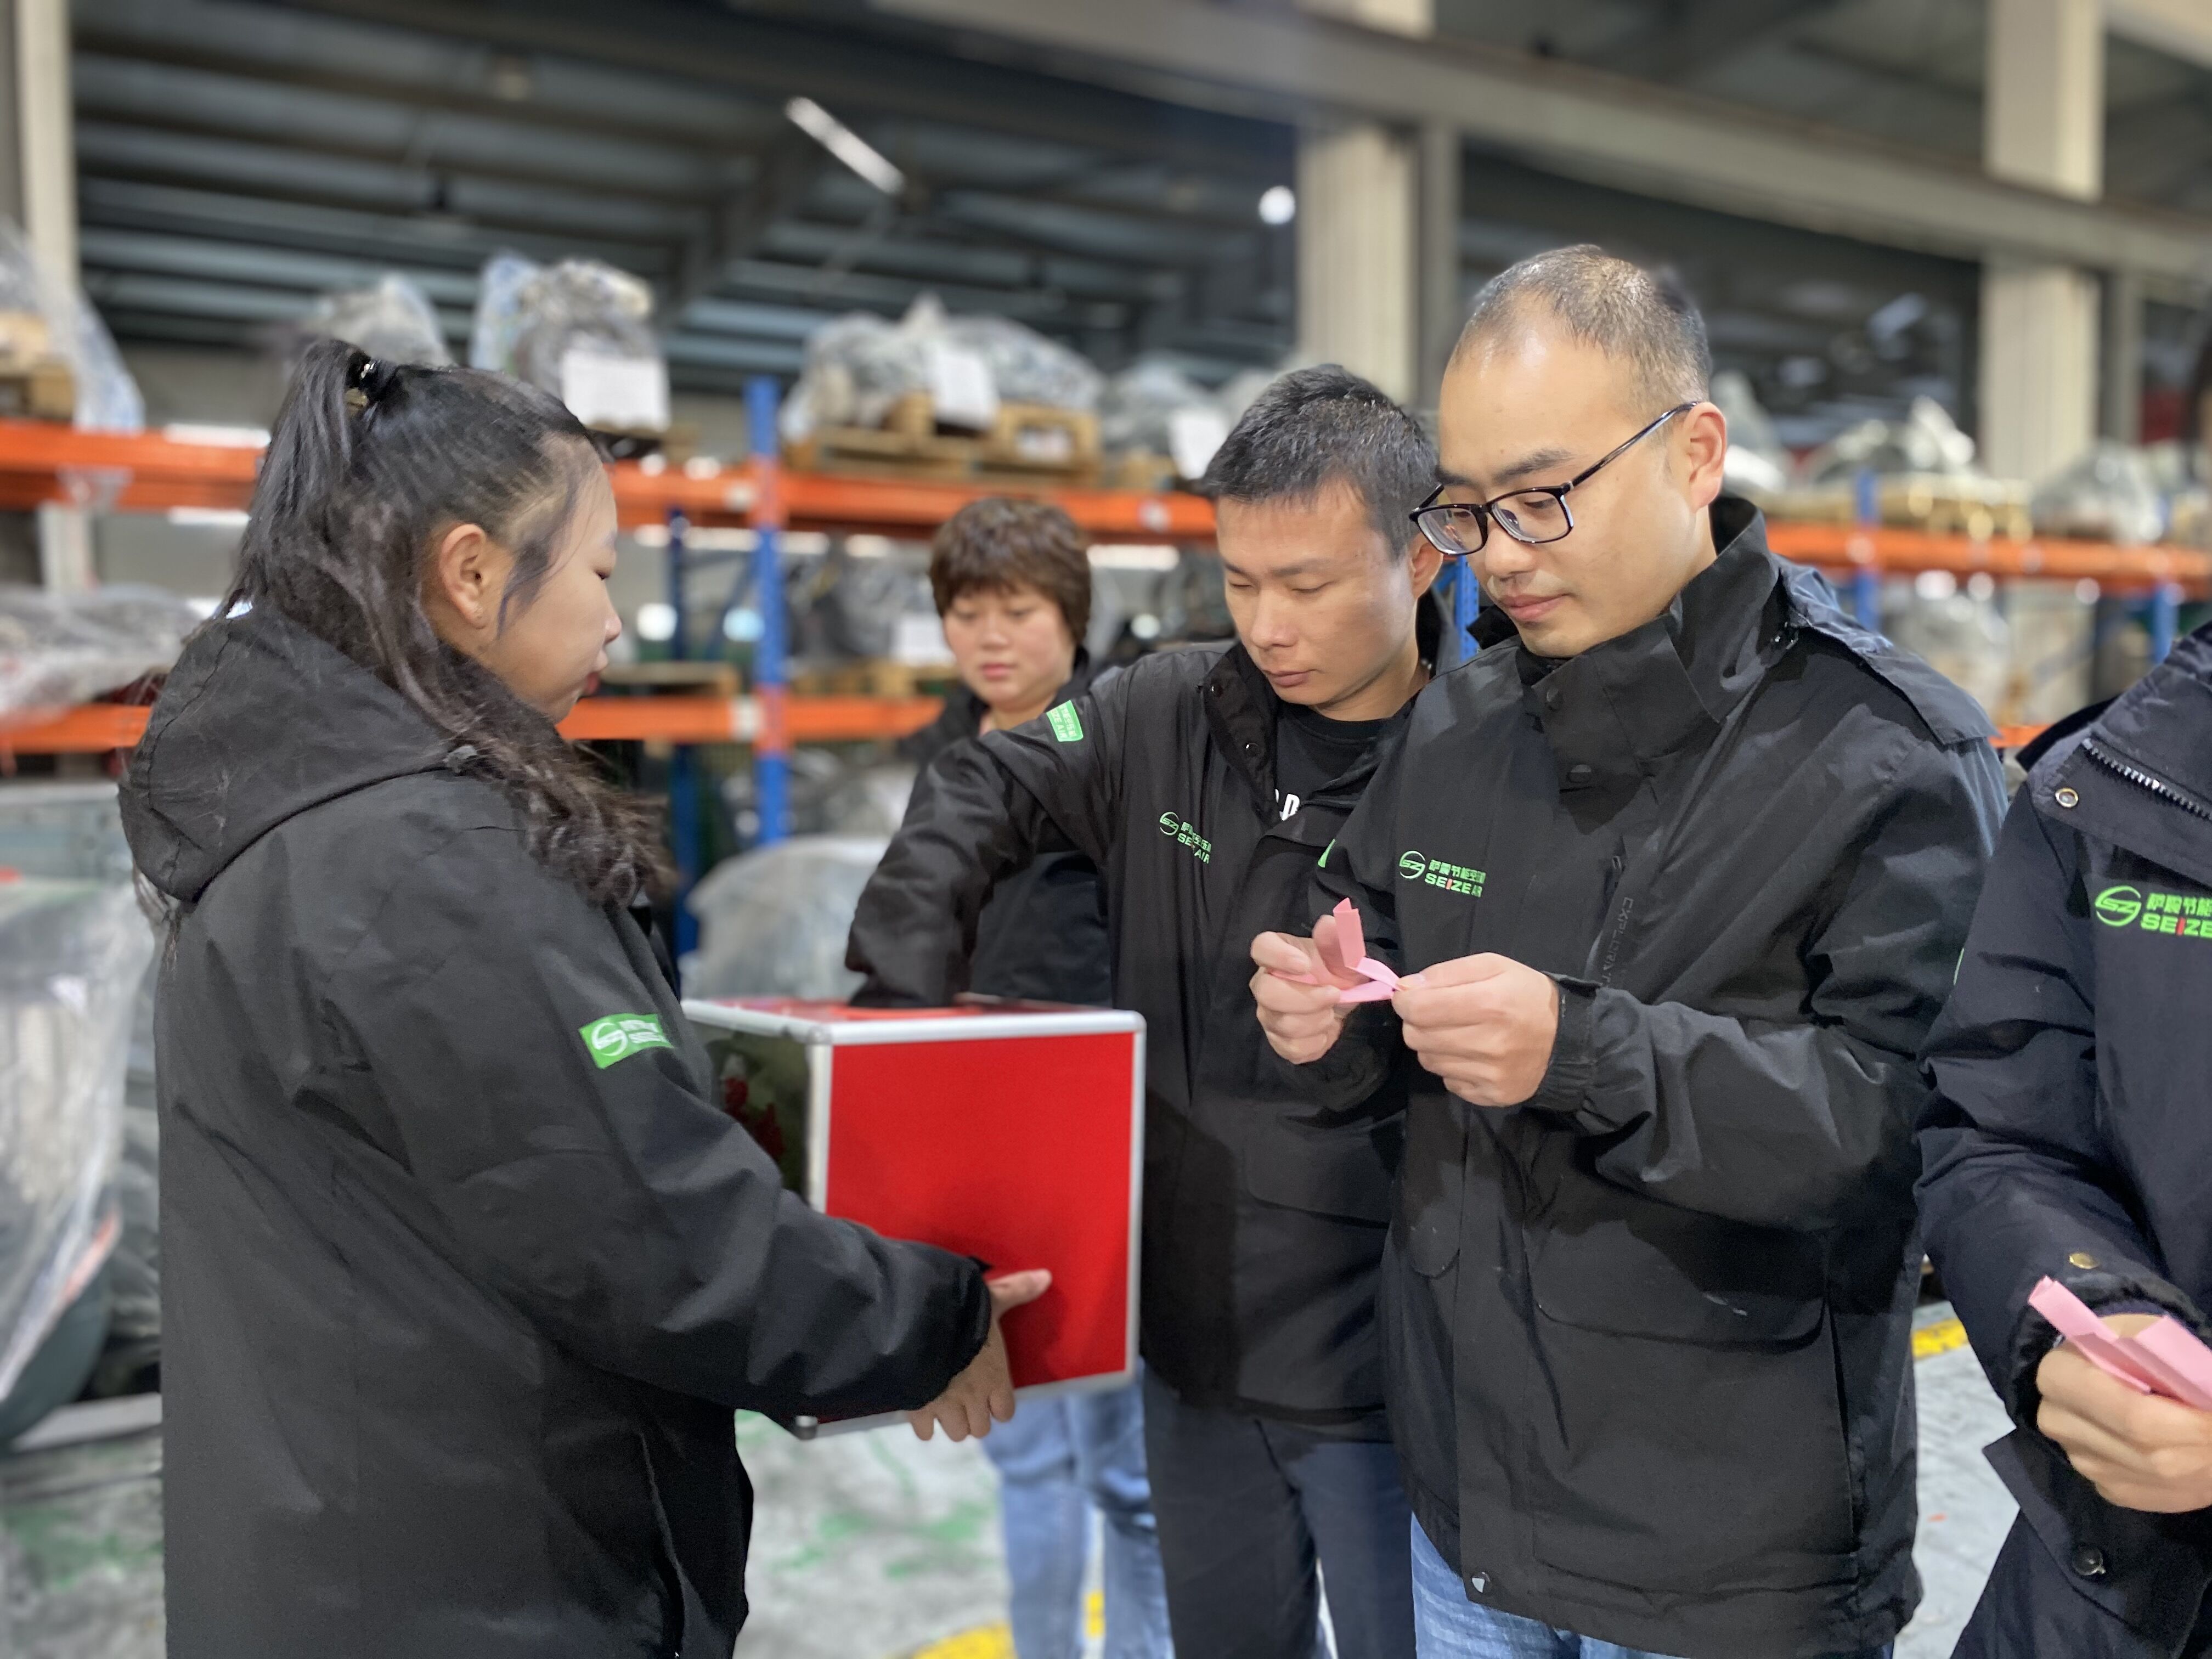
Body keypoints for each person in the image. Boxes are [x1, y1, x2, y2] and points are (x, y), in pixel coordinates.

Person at [119, 339, 1044, 1659]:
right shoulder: (432, 864)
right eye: (601, 573)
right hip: (481, 1582)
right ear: (471, 572)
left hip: (343, 1543)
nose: (616, 623)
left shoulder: (304, 823)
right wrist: (929, 1315)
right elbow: (647, 1234)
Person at [1250, 246, 2005, 1659]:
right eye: (1468, 510)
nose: (1502, 553)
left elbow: (1919, 1135)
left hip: (1720, 1560)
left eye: (1543, 497)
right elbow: (1372, 949)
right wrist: (1329, 1011)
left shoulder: (1887, 755)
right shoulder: (1458, 730)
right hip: (1468, 1523)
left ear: (1694, 452)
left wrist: (1584, 1051)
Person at [848, 365, 1442, 1659]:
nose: (1268, 625)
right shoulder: (1167, 711)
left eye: (1308, 585)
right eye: (1241, 582)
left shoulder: (1486, 754)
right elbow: (980, 791)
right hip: (1194, 1344)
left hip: (1397, 1369)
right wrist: (897, 1028)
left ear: (1421, 559)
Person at [899, 496, 1173, 1659]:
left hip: (1108, 1140)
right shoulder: (944, 751)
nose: (991, 638)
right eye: (968, 614)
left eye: (1018, 612)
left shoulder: (1124, 749)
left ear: (1072, 618)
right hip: (984, 1135)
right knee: (1019, 1449)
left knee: (1129, 1470)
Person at [1919, 633, 2212, 1655]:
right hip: (2119, 1585)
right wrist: (2094, 1310)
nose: (1509, 560)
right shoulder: (2113, 788)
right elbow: (2004, 1128)